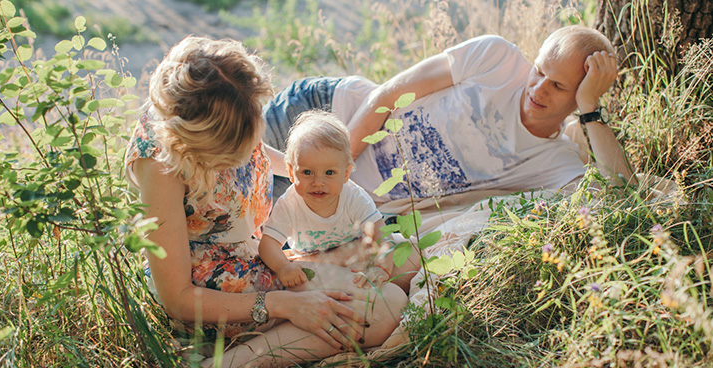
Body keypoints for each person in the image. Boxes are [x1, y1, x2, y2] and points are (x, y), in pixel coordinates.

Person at [124, 36, 407, 368]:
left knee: (402, 258)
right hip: (218, 289)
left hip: (258, 254)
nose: (248, 153)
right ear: (202, 144)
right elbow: (178, 298)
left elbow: (262, 157)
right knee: (386, 306)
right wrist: (281, 304)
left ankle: (299, 318)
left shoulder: (228, 94)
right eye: (234, 152)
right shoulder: (161, 163)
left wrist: (312, 174)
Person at [262, 25, 632, 203]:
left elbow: (623, 195)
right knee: (210, 165)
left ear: (578, 98)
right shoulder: (496, 57)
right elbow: (388, 94)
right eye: (539, 71)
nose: (537, 89)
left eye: (559, 86)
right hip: (324, 114)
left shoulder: (553, 161)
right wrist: (339, 180)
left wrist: (590, 110)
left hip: (329, 191)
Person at [259, 110, 419, 291]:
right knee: (299, 284)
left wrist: (380, 267)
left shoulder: (353, 196)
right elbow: (268, 244)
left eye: (329, 173)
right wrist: (284, 267)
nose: (318, 182)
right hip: (316, 270)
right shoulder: (289, 204)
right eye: (307, 172)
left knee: (411, 253)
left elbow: (380, 234)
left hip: (358, 259)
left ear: (346, 173)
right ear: (290, 172)